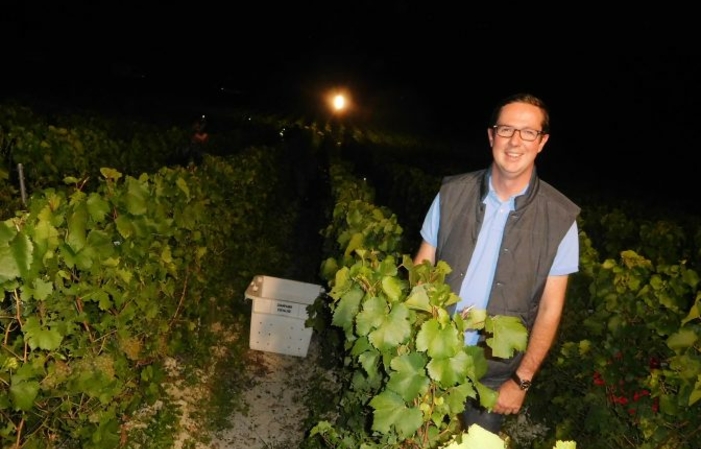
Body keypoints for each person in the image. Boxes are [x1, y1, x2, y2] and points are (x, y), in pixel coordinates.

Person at [413, 92, 580, 434]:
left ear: (542, 142)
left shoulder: (560, 218)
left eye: (528, 132)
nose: (515, 141)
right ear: (491, 136)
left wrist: (522, 380)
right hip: (434, 354)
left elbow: (550, 309)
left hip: (496, 375)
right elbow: (421, 271)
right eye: (506, 130)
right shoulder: (451, 193)